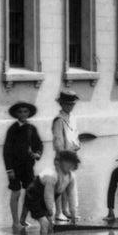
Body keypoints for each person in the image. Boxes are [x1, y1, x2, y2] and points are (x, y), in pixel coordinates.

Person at [2, 100, 43, 231]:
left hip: (27, 166)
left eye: (25, 111)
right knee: (16, 192)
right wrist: (9, 169)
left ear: (29, 113)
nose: (23, 114)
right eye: (20, 111)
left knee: (30, 192)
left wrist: (37, 154)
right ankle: (15, 222)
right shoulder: (12, 129)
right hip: (14, 167)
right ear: (16, 114)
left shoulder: (32, 129)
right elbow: (6, 151)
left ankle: (23, 219)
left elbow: (39, 145)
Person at [51, 90, 81, 224]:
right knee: (60, 185)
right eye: (67, 104)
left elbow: (75, 135)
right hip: (62, 157)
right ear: (61, 104)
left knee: (68, 183)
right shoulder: (58, 120)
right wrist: (62, 155)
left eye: (72, 104)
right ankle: (58, 212)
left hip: (72, 155)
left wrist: (77, 146)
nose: (70, 106)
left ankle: (66, 209)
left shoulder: (73, 118)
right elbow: (58, 139)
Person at [53, 150, 81, 224]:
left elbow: (71, 196)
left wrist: (73, 215)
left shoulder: (71, 176)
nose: (71, 167)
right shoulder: (53, 176)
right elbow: (48, 198)